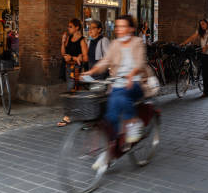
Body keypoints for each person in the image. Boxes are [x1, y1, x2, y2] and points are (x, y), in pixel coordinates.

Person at [82, 14, 148, 148]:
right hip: (118, 84)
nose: (119, 29)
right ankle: (112, 146)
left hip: (134, 82)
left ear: (130, 29)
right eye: (117, 26)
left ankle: (134, 123)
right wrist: (91, 71)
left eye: (123, 26)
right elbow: (105, 61)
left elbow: (140, 63)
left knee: (123, 99)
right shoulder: (115, 44)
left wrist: (132, 74)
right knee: (110, 116)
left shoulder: (137, 42)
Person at [58, 18, 89, 127]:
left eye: (70, 26)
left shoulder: (82, 40)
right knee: (74, 92)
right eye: (68, 26)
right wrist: (62, 41)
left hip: (76, 70)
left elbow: (85, 58)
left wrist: (74, 58)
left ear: (77, 27)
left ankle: (67, 116)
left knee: (71, 92)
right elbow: (63, 53)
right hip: (67, 68)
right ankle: (84, 114)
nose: (68, 28)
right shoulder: (69, 38)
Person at [182, 19, 208, 97]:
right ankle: (207, 92)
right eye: (201, 24)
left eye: (203, 24)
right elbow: (192, 37)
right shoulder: (201, 32)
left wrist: (207, 47)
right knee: (205, 74)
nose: (202, 26)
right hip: (204, 55)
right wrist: (184, 43)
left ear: (207, 24)